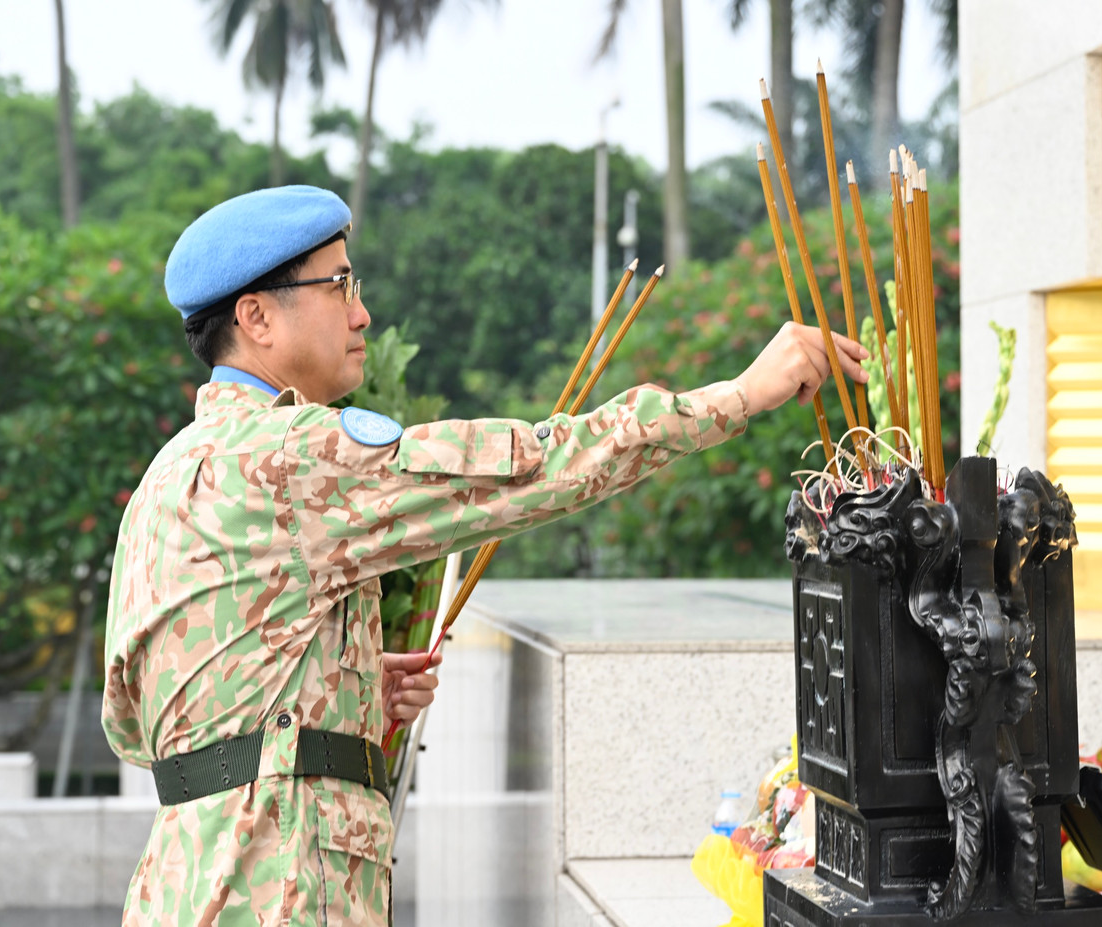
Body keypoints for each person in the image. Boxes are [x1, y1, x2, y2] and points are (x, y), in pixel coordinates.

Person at [102, 184, 867, 926]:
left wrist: (341, 689)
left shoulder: (166, 478)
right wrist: (738, 394)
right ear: (257, 316)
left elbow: (138, 726)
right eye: (339, 286)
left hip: (188, 882)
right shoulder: (290, 457)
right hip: (280, 889)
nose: (363, 312)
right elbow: (535, 469)